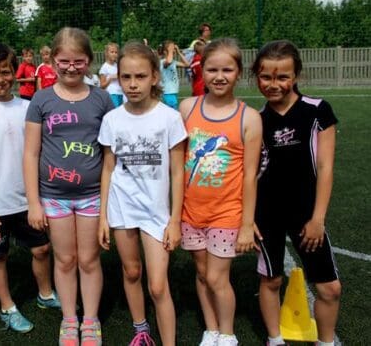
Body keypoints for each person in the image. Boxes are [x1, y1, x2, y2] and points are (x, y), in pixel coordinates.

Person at [24, 27, 114, 346]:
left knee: (88, 260)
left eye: (78, 61)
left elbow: (110, 153)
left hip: (91, 196)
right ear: (53, 61)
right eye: (64, 61)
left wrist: (108, 203)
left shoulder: (102, 99)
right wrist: (33, 203)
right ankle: (69, 319)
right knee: (64, 260)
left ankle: (90, 320)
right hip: (54, 197)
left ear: (89, 60)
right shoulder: (41, 99)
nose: (71, 67)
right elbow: (31, 152)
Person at [0, 43, 61, 334]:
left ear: (15, 73)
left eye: (5, 72)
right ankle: (8, 307)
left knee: (42, 248)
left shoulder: (28, 108)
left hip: (27, 200)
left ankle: (45, 294)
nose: (0, 79)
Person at [251, 40, 341, 346]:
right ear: (256, 77)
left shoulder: (317, 111)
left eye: (282, 77)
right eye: (266, 77)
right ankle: (274, 339)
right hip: (267, 214)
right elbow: (249, 174)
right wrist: (249, 219)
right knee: (271, 279)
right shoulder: (256, 120)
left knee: (330, 288)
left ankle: (325, 342)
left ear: (296, 75)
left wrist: (318, 218)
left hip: (307, 215)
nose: (273, 84)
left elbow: (325, 168)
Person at [98, 42, 187, 346]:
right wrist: (103, 218)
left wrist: (175, 221)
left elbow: (178, 173)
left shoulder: (169, 118)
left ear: (154, 77)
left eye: (140, 76)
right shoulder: (112, 120)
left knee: (158, 286)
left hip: (156, 213)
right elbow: (108, 169)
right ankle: (141, 331)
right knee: (132, 271)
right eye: (126, 77)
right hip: (122, 208)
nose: (133, 84)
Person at [179, 38, 262, 346]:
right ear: (202, 71)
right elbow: (177, 162)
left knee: (217, 277)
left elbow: (250, 176)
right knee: (202, 274)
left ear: (238, 72)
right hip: (191, 212)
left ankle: (227, 334)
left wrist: (246, 224)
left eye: (227, 70)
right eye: (212, 69)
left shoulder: (249, 118)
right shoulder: (187, 108)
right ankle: (211, 329)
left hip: (226, 213)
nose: (219, 76)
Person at [159, 40, 190, 110]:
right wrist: (170, 50)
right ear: (165, 52)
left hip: (173, 92)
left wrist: (179, 52)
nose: (173, 50)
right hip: (168, 92)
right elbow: (169, 61)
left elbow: (187, 64)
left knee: (172, 113)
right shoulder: (163, 62)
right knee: (172, 113)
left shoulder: (173, 62)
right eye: (172, 49)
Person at [99, 42, 123, 107]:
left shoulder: (117, 65)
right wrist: (110, 78)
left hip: (120, 93)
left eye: (116, 52)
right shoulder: (104, 67)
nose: (114, 54)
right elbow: (102, 86)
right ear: (107, 53)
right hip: (112, 94)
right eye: (112, 52)